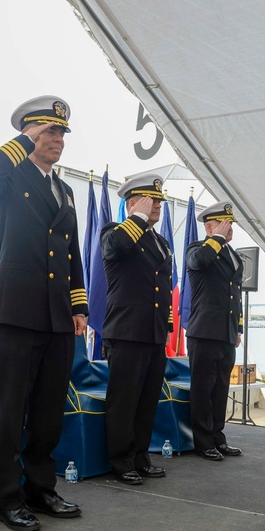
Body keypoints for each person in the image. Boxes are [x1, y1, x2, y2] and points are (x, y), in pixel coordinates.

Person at [0, 96, 88, 531]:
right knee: (11, 408)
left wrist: (78, 304)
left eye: (61, 133)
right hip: (18, 309)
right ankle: (8, 498)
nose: (57, 139)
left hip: (57, 313)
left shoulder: (65, 190)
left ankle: (41, 488)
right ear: (30, 133)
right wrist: (21, 142)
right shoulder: (9, 175)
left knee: (48, 410)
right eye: (49, 132)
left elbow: (72, 252)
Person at [100, 172, 173, 485]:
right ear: (133, 202)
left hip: (153, 333)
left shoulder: (160, 241)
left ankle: (141, 457)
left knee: (146, 401)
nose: (157, 206)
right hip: (126, 331)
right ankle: (121, 461)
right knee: (124, 400)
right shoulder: (115, 232)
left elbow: (164, 287)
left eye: (158, 201)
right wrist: (138, 216)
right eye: (151, 200)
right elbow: (115, 247)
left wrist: (167, 325)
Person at [185, 201, 244, 461]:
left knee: (220, 389)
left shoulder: (234, 256)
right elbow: (199, 261)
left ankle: (218, 438)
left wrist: (238, 328)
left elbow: (236, 296)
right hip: (204, 331)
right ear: (209, 227)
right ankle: (203, 441)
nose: (229, 228)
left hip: (226, 333)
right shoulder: (198, 249)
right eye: (224, 223)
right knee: (203, 389)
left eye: (230, 224)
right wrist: (216, 238)